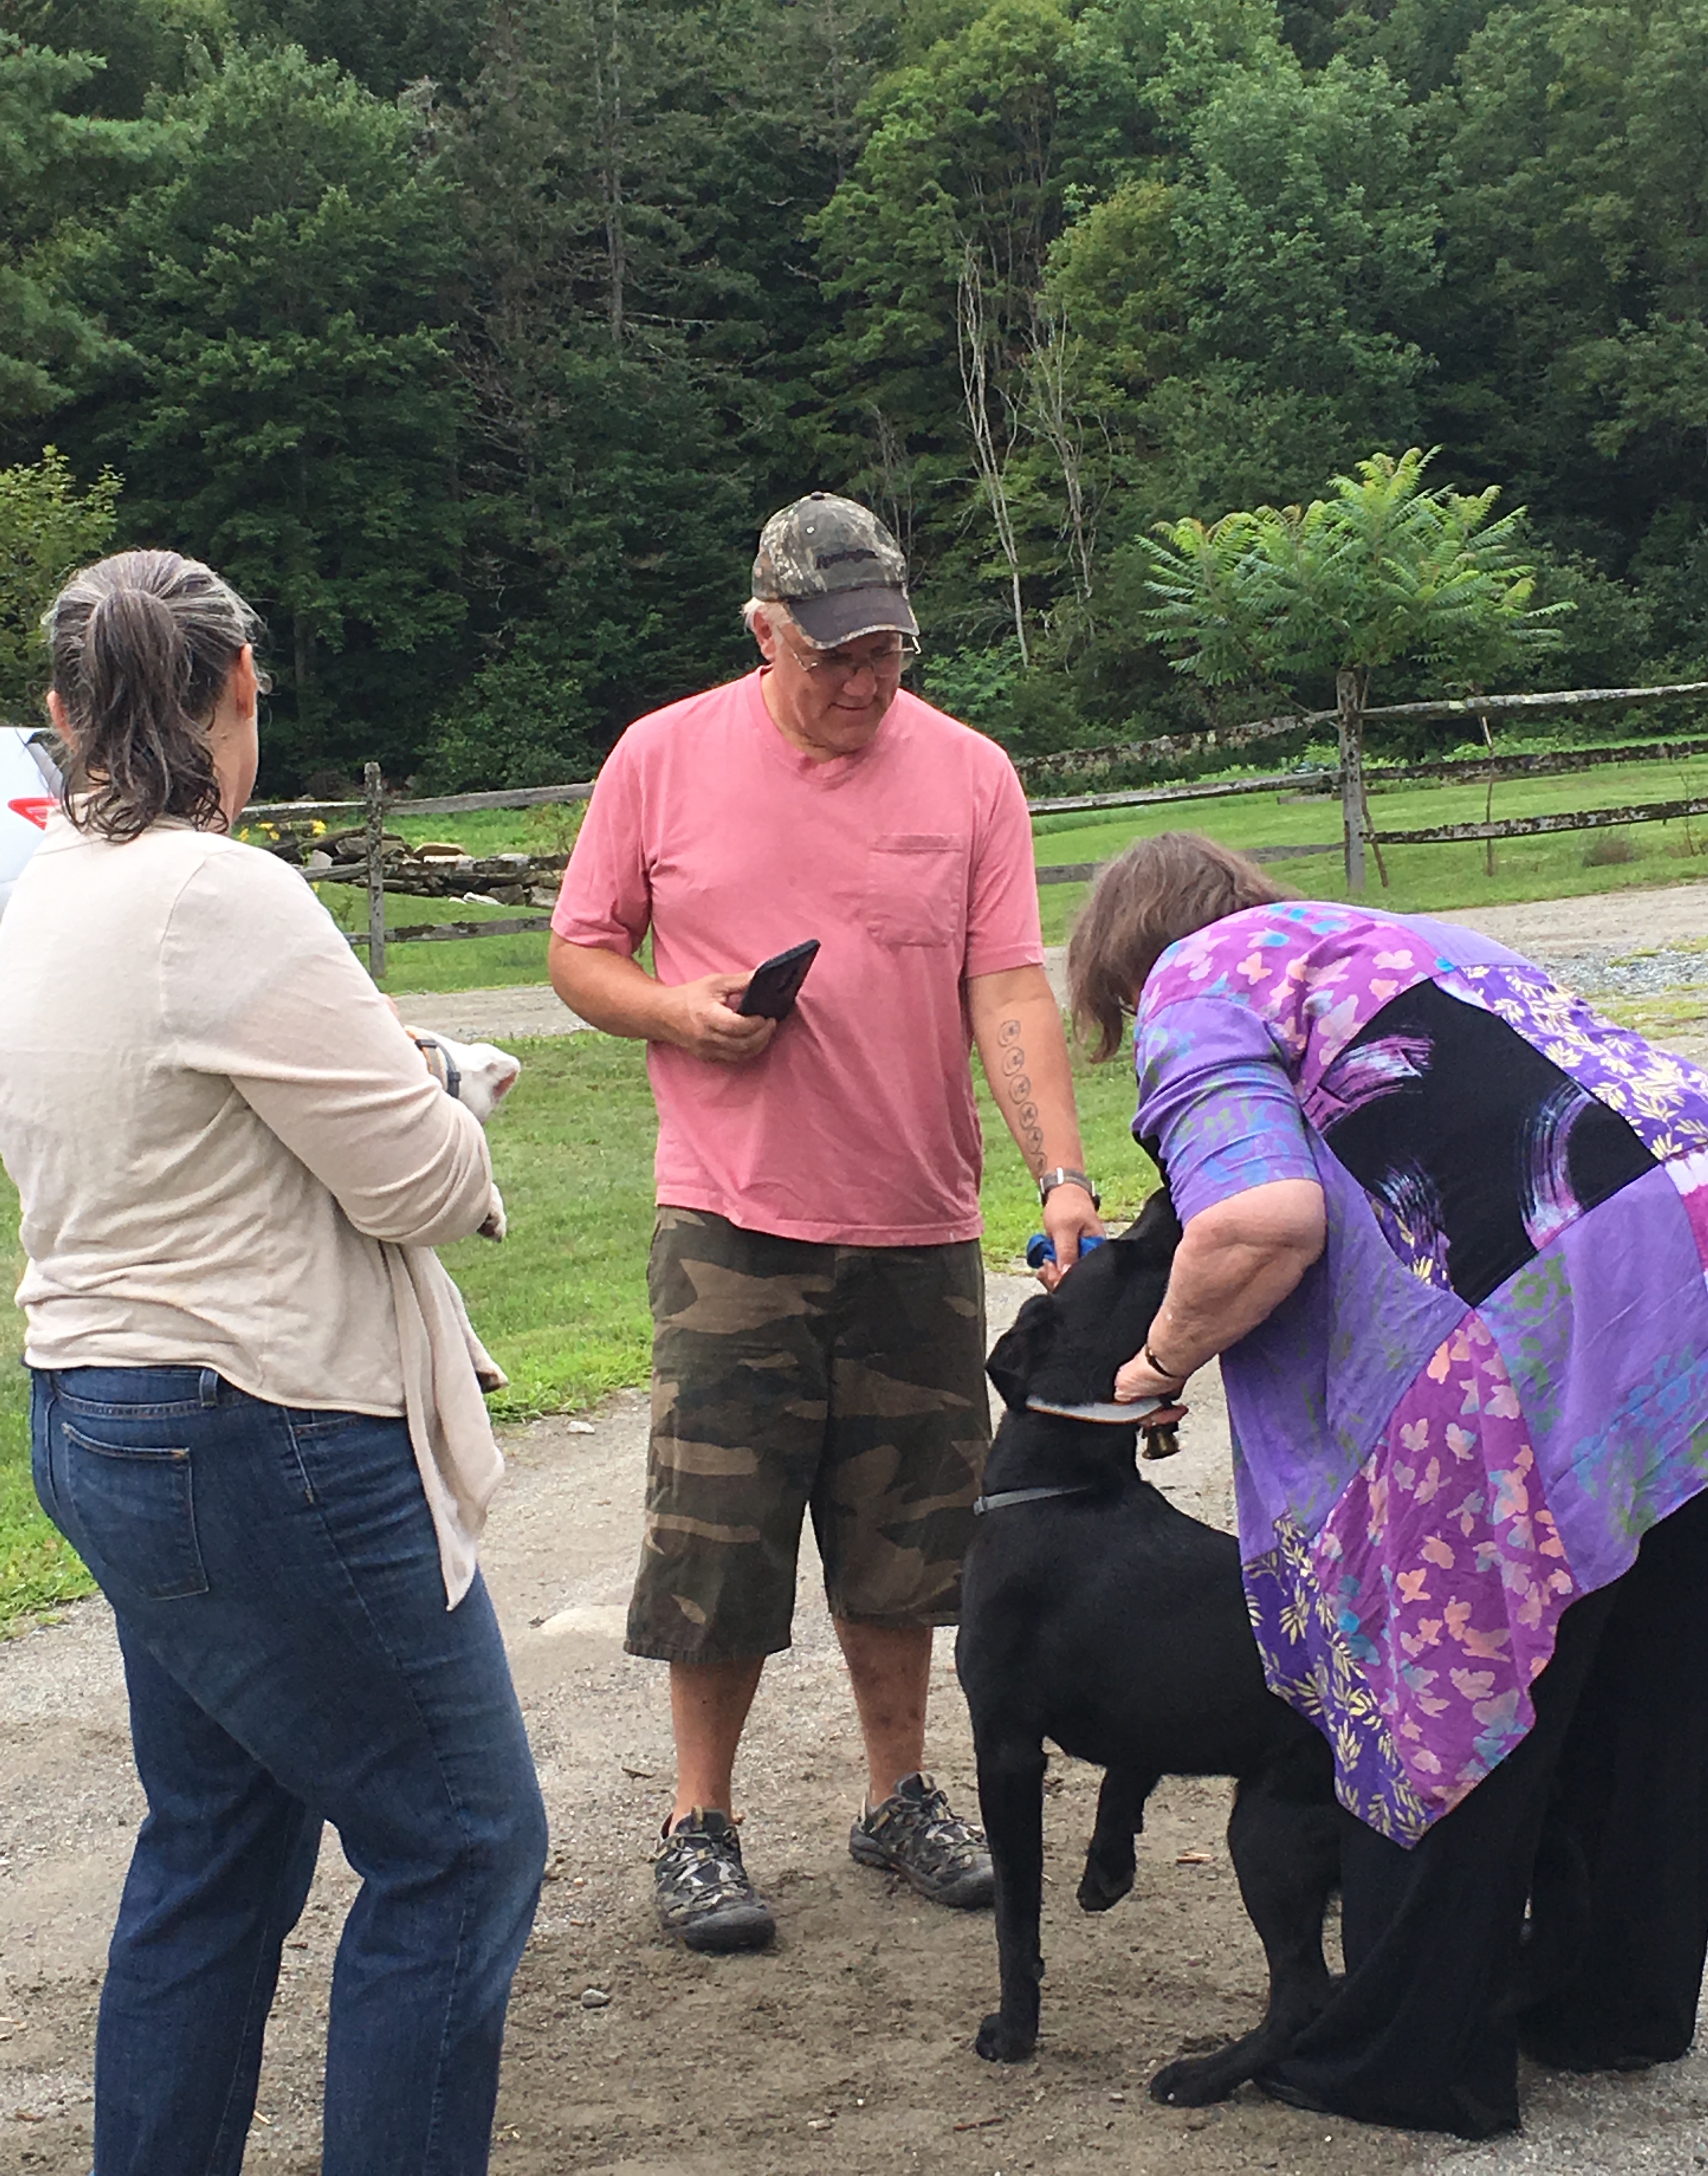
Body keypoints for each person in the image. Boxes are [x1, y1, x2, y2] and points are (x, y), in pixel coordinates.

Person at [0, 550, 548, 2176]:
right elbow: (425, 1185)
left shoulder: (46, 892)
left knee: (220, 1846)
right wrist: (453, 1078)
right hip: (258, 1428)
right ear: (242, 690)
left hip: (101, 1409)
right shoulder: (221, 891)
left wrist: (398, 1073)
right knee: (459, 1846)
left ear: (60, 715)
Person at [1066, 829, 1708, 2138]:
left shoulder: (1196, 984)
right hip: (1687, 1260)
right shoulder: (1386, 936)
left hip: (1521, 1330)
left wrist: (1158, 1359)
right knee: (1647, 1668)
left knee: (1452, 1670)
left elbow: (1260, 1222)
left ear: (1125, 967)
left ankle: (1417, 2059)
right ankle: (1615, 2006)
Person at [549, 491, 1102, 1953]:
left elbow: (1006, 986)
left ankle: (895, 1796)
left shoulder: (972, 777)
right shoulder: (661, 759)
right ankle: (699, 1823)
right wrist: (676, 1010)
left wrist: (1058, 1171)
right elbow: (580, 951)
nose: (863, 685)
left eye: (888, 657)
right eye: (833, 657)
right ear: (765, 631)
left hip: (915, 1221)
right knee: (717, 1541)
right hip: (732, 1222)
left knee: (908, 1543)